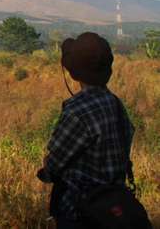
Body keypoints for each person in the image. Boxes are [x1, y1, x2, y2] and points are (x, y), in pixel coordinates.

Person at [36, 32, 134, 228]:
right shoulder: (115, 104)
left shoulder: (77, 110)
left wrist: (46, 170)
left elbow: (54, 165)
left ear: (74, 72)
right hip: (115, 208)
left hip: (80, 212)